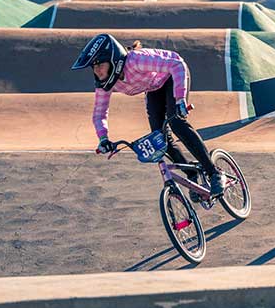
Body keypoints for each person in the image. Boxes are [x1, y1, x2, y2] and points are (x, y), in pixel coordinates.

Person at [72, 33, 226, 196]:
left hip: (172, 75)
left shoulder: (135, 61)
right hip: (154, 88)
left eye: (99, 64)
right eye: (93, 67)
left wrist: (180, 99)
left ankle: (215, 173)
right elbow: (99, 114)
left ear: (111, 59)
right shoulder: (105, 83)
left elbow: (176, 65)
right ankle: (192, 176)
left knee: (176, 123)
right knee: (159, 137)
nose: (96, 70)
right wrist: (103, 138)